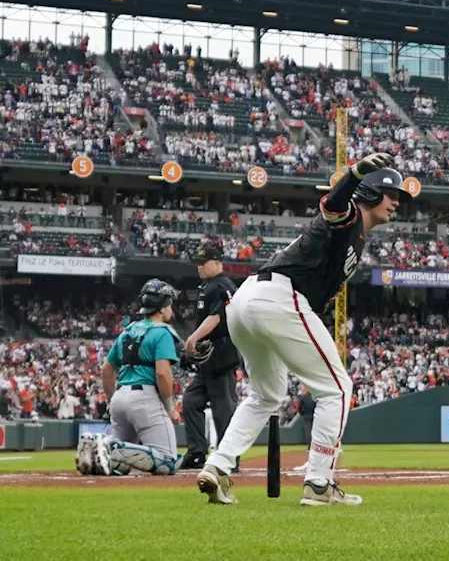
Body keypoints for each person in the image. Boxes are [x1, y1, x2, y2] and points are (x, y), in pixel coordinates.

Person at [195, 152, 408, 507]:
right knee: (337, 388)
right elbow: (334, 203)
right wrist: (354, 173)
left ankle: (217, 465)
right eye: (391, 194)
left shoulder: (356, 234)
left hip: (249, 300)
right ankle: (320, 482)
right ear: (369, 194)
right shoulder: (350, 218)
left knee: (265, 395)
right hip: (278, 296)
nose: (397, 202)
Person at [80, 279, 184, 476]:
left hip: (120, 397)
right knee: (167, 461)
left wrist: (111, 402)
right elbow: (162, 372)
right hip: (145, 398)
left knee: (119, 464)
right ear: (162, 308)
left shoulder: (128, 330)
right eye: (169, 304)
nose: (171, 308)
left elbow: (107, 369)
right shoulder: (162, 332)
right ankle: (109, 446)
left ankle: (104, 445)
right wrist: (171, 409)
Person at [178, 244, 241, 470]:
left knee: (222, 409)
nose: (200, 267)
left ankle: (229, 457)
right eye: (198, 263)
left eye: (204, 263)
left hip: (222, 357)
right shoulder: (207, 286)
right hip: (208, 360)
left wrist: (192, 338)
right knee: (191, 401)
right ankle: (197, 452)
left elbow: (217, 317)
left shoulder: (223, 284)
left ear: (217, 263)